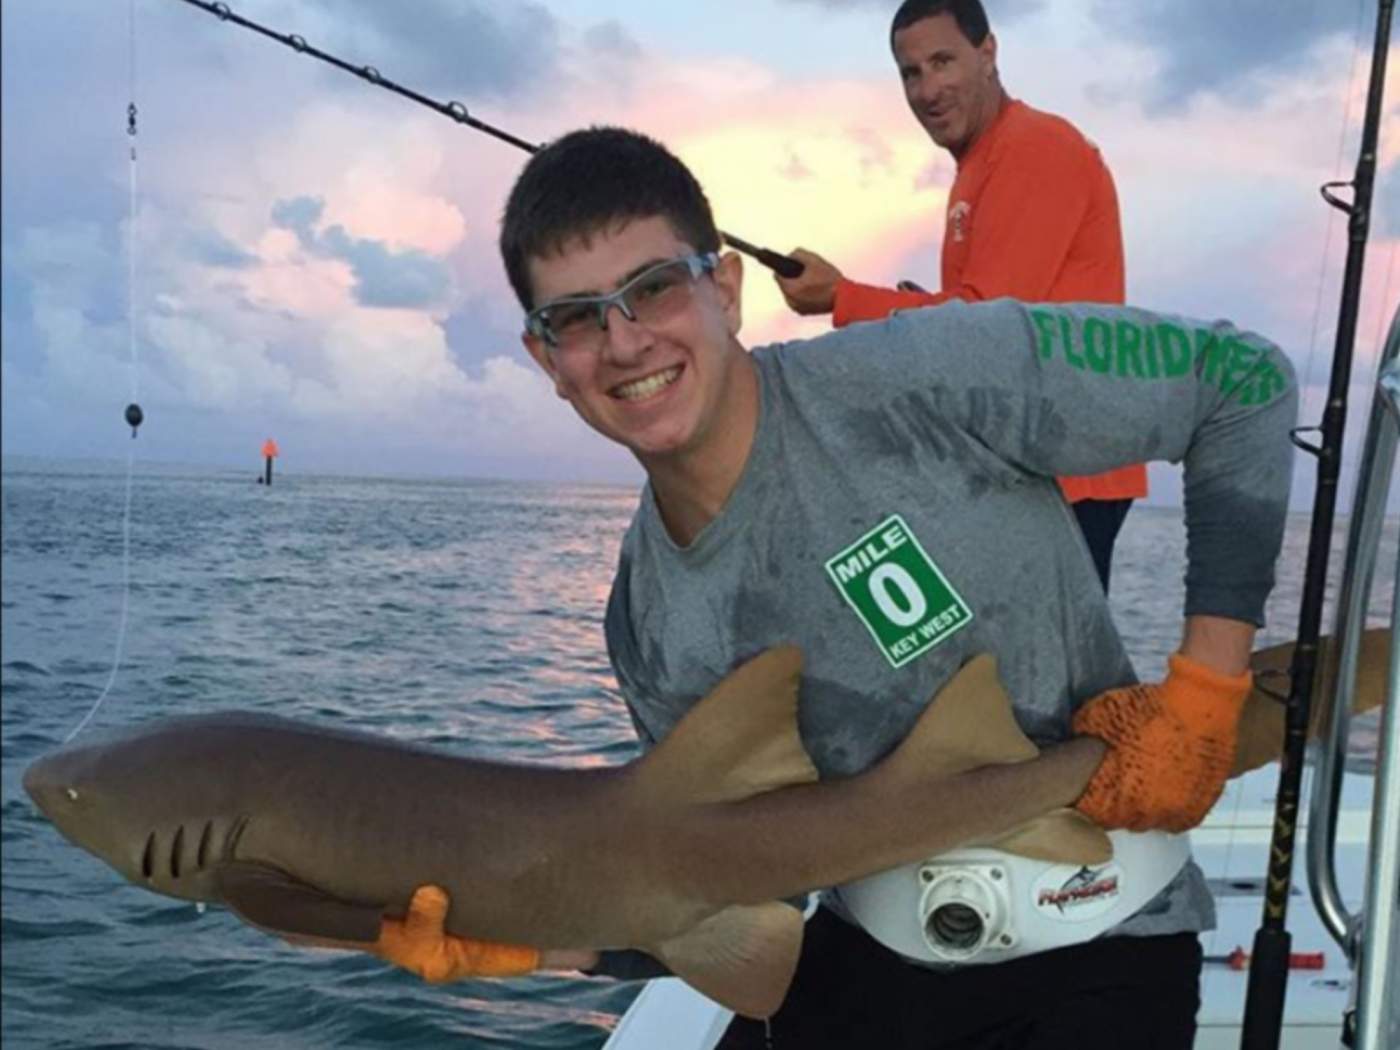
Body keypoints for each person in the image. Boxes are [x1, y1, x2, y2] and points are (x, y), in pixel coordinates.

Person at [363, 127, 1297, 1048]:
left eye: (653, 288)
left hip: (1106, 939)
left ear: (724, 289)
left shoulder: (922, 375)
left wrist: (1206, 693)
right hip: (873, 955)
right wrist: (528, 947)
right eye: (575, 316)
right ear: (545, 360)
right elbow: (730, 890)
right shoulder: (647, 621)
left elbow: (1241, 380)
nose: (623, 341)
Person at [774, 0, 1146, 592]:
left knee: (1049, 676)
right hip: (1019, 470)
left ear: (989, 53)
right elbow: (992, 316)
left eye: (943, 62)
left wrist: (840, 297)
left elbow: (984, 327)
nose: (928, 89)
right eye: (911, 73)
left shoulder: (1036, 146)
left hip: (1066, 475)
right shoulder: (979, 165)